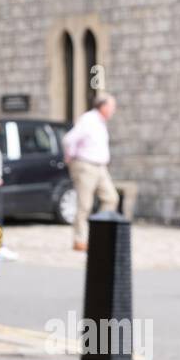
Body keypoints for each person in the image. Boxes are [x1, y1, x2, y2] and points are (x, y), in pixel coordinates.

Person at [61, 93, 118, 252]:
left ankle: (99, 233)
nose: (114, 110)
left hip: (100, 167)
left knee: (111, 198)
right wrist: (70, 157)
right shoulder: (89, 120)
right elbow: (69, 139)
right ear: (103, 106)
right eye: (112, 106)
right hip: (86, 165)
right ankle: (80, 240)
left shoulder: (100, 122)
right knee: (85, 204)